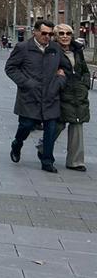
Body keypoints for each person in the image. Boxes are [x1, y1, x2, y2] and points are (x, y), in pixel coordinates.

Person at [5, 20, 66, 173]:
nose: (47, 37)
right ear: (35, 32)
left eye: (51, 34)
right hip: (29, 97)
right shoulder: (23, 48)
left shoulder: (56, 49)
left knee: (51, 129)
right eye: (44, 33)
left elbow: (65, 69)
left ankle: (47, 161)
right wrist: (27, 83)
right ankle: (17, 144)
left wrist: (59, 81)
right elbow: (10, 68)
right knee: (26, 125)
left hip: (51, 96)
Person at [56, 23, 89, 171]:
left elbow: (84, 70)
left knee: (77, 124)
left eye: (68, 33)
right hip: (60, 92)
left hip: (78, 94)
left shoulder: (77, 50)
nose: (65, 36)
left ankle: (76, 161)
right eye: (61, 33)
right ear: (56, 36)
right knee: (58, 124)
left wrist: (85, 83)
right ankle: (44, 147)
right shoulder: (52, 50)